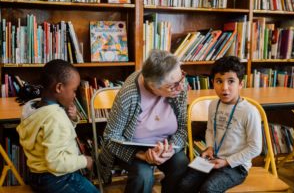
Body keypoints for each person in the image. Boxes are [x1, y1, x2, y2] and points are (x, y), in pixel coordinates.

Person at [98, 49, 189, 193]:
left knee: (181, 163)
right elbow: (110, 138)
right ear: (153, 86)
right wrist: (141, 155)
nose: (181, 87)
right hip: (133, 149)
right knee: (144, 175)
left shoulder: (178, 84)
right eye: (173, 85)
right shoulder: (129, 94)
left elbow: (183, 128)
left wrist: (170, 150)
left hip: (166, 146)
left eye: (182, 77)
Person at [177, 56, 262, 193]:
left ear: (241, 84)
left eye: (231, 81)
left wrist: (227, 162)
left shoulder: (249, 111)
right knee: (184, 184)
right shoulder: (213, 105)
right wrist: (209, 147)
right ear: (212, 82)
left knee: (208, 189)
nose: (224, 88)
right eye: (219, 81)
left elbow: (255, 148)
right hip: (212, 158)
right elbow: (210, 130)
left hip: (236, 166)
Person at [16, 60, 99, 193]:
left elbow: (52, 134)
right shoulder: (56, 118)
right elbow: (56, 163)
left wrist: (71, 119)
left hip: (37, 175)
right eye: (74, 90)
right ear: (59, 87)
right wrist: (85, 161)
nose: (75, 95)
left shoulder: (33, 107)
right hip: (58, 178)